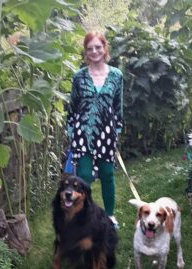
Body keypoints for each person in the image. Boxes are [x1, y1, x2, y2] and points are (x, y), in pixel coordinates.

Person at [67, 31, 123, 229]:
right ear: (85, 52)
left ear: (105, 48)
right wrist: (71, 130)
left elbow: (118, 106)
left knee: (107, 174)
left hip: (107, 133)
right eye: (90, 48)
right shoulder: (79, 77)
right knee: (83, 176)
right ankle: (83, 216)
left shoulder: (116, 75)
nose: (94, 51)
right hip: (83, 132)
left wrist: (117, 129)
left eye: (98, 47)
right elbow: (73, 105)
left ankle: (109, 216)